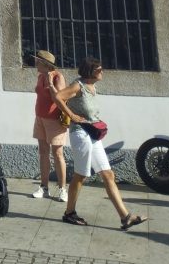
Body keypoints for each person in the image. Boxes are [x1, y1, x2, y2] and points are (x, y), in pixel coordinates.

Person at [54, 57, 147, 230]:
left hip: (93, 134)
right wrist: (72, 116)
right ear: (90, 71)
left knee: (108, 174)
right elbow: (58, 97)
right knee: (81, 175)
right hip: (80, 134)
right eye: (99, 69)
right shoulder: (78, 86)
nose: (102, 72)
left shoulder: (93, 87)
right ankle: (69, 213)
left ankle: (125, 217)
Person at [30, 49, 68, 201]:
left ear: (45, 64)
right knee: (43, 152)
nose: (35, 63)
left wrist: (51, 85)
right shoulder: (40, 76)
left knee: (58, 154)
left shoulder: (58, 77)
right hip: (40, 118)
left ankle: (62, 188)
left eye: (37, 61)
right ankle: (44, 187)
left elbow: (61, 98)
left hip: (54, 120)